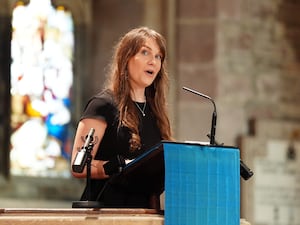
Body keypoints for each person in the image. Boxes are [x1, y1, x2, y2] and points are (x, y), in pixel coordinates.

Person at [71, 26, 173, 209]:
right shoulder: (102, 105)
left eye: (158, 56)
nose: (153, 62)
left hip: (146, 213)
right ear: (126, 58)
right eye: (145, 53)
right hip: (107, 211)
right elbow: (77, 166)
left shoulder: (156, 112)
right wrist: (117, 167)